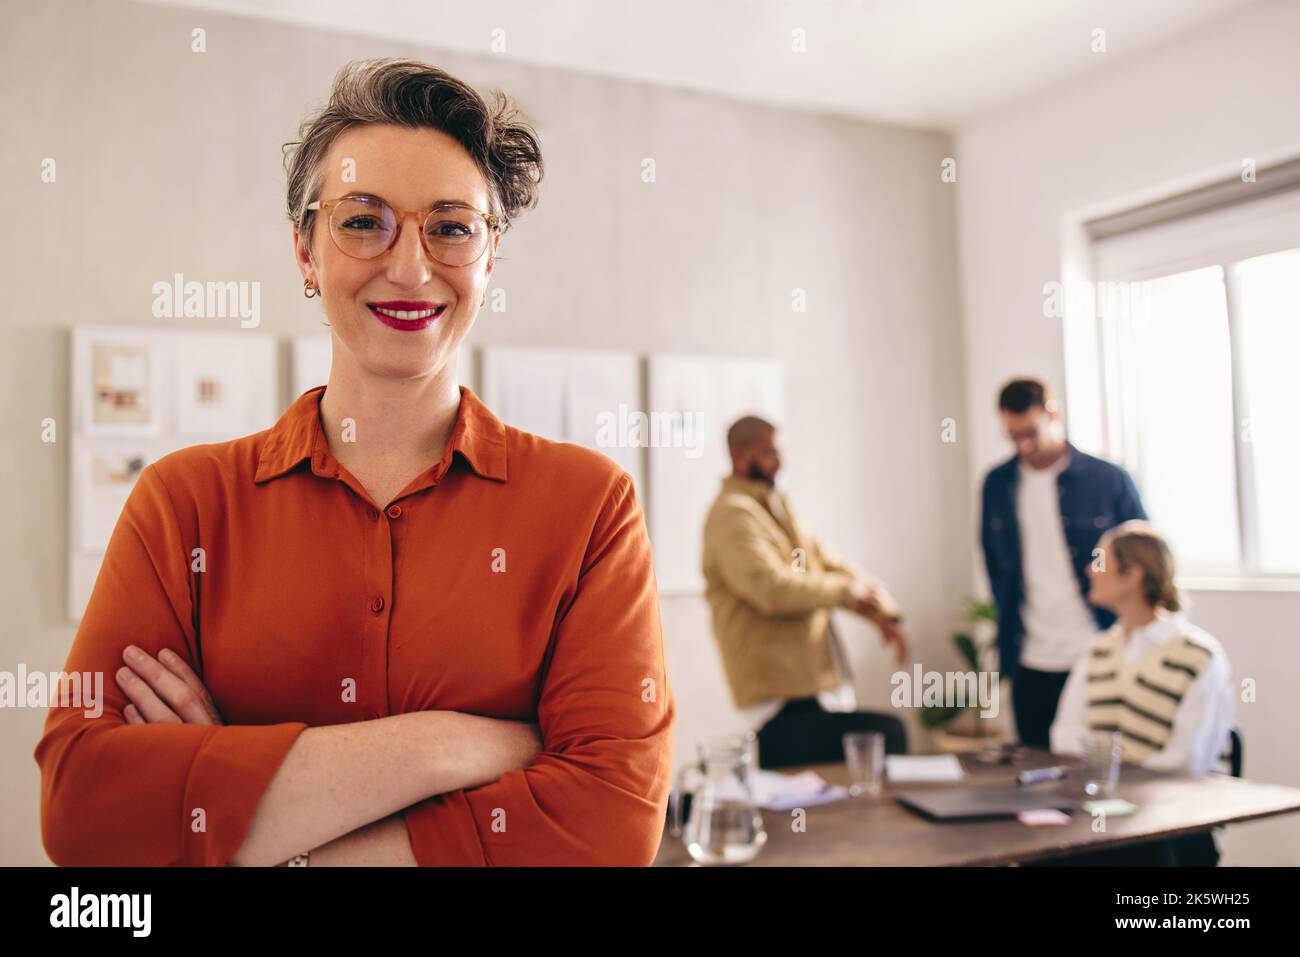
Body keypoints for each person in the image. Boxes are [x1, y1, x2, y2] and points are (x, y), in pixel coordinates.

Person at [33, 58, 674, 867]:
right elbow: (84, 813)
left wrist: (240, 804)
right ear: (305, 252)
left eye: (450, 225)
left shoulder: (589, 506)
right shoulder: (183, 503)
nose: (410, 266)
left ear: (489, 258)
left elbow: (609, 824)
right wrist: (447, 747)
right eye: (363, 221)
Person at [701, 415, 909, 769]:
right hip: (777, 698)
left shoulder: (775, 506)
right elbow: (772, 590)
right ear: (740, 455)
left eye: (779, 451)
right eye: (768, 452)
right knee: (888, 736)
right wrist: (848, 591)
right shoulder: (733, 516)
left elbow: (827, 565)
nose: (779, 460)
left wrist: (883, 614)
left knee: (843, 786)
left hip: (811, 689)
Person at [1048, 521, 1235, 866]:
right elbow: (1064, 736)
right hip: (1104, 818)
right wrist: (1122, 768)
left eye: (1100, 561)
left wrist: (1107, 767)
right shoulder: (1097, 651)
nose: (1090, 570)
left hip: (1173, 824)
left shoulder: (1198, 656)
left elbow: (1184, 762)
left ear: (1132, 574)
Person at [980, 378, 1147, 748]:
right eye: (1012, 436)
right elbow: (994, 564)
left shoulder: (1108, 480)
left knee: (1102, 768)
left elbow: (1144, 556)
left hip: (1098, 649)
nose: (1023, 446)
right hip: (1030, 658)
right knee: (1037, 776)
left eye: (1030, 433)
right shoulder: (997, 485)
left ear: (1053, 413)